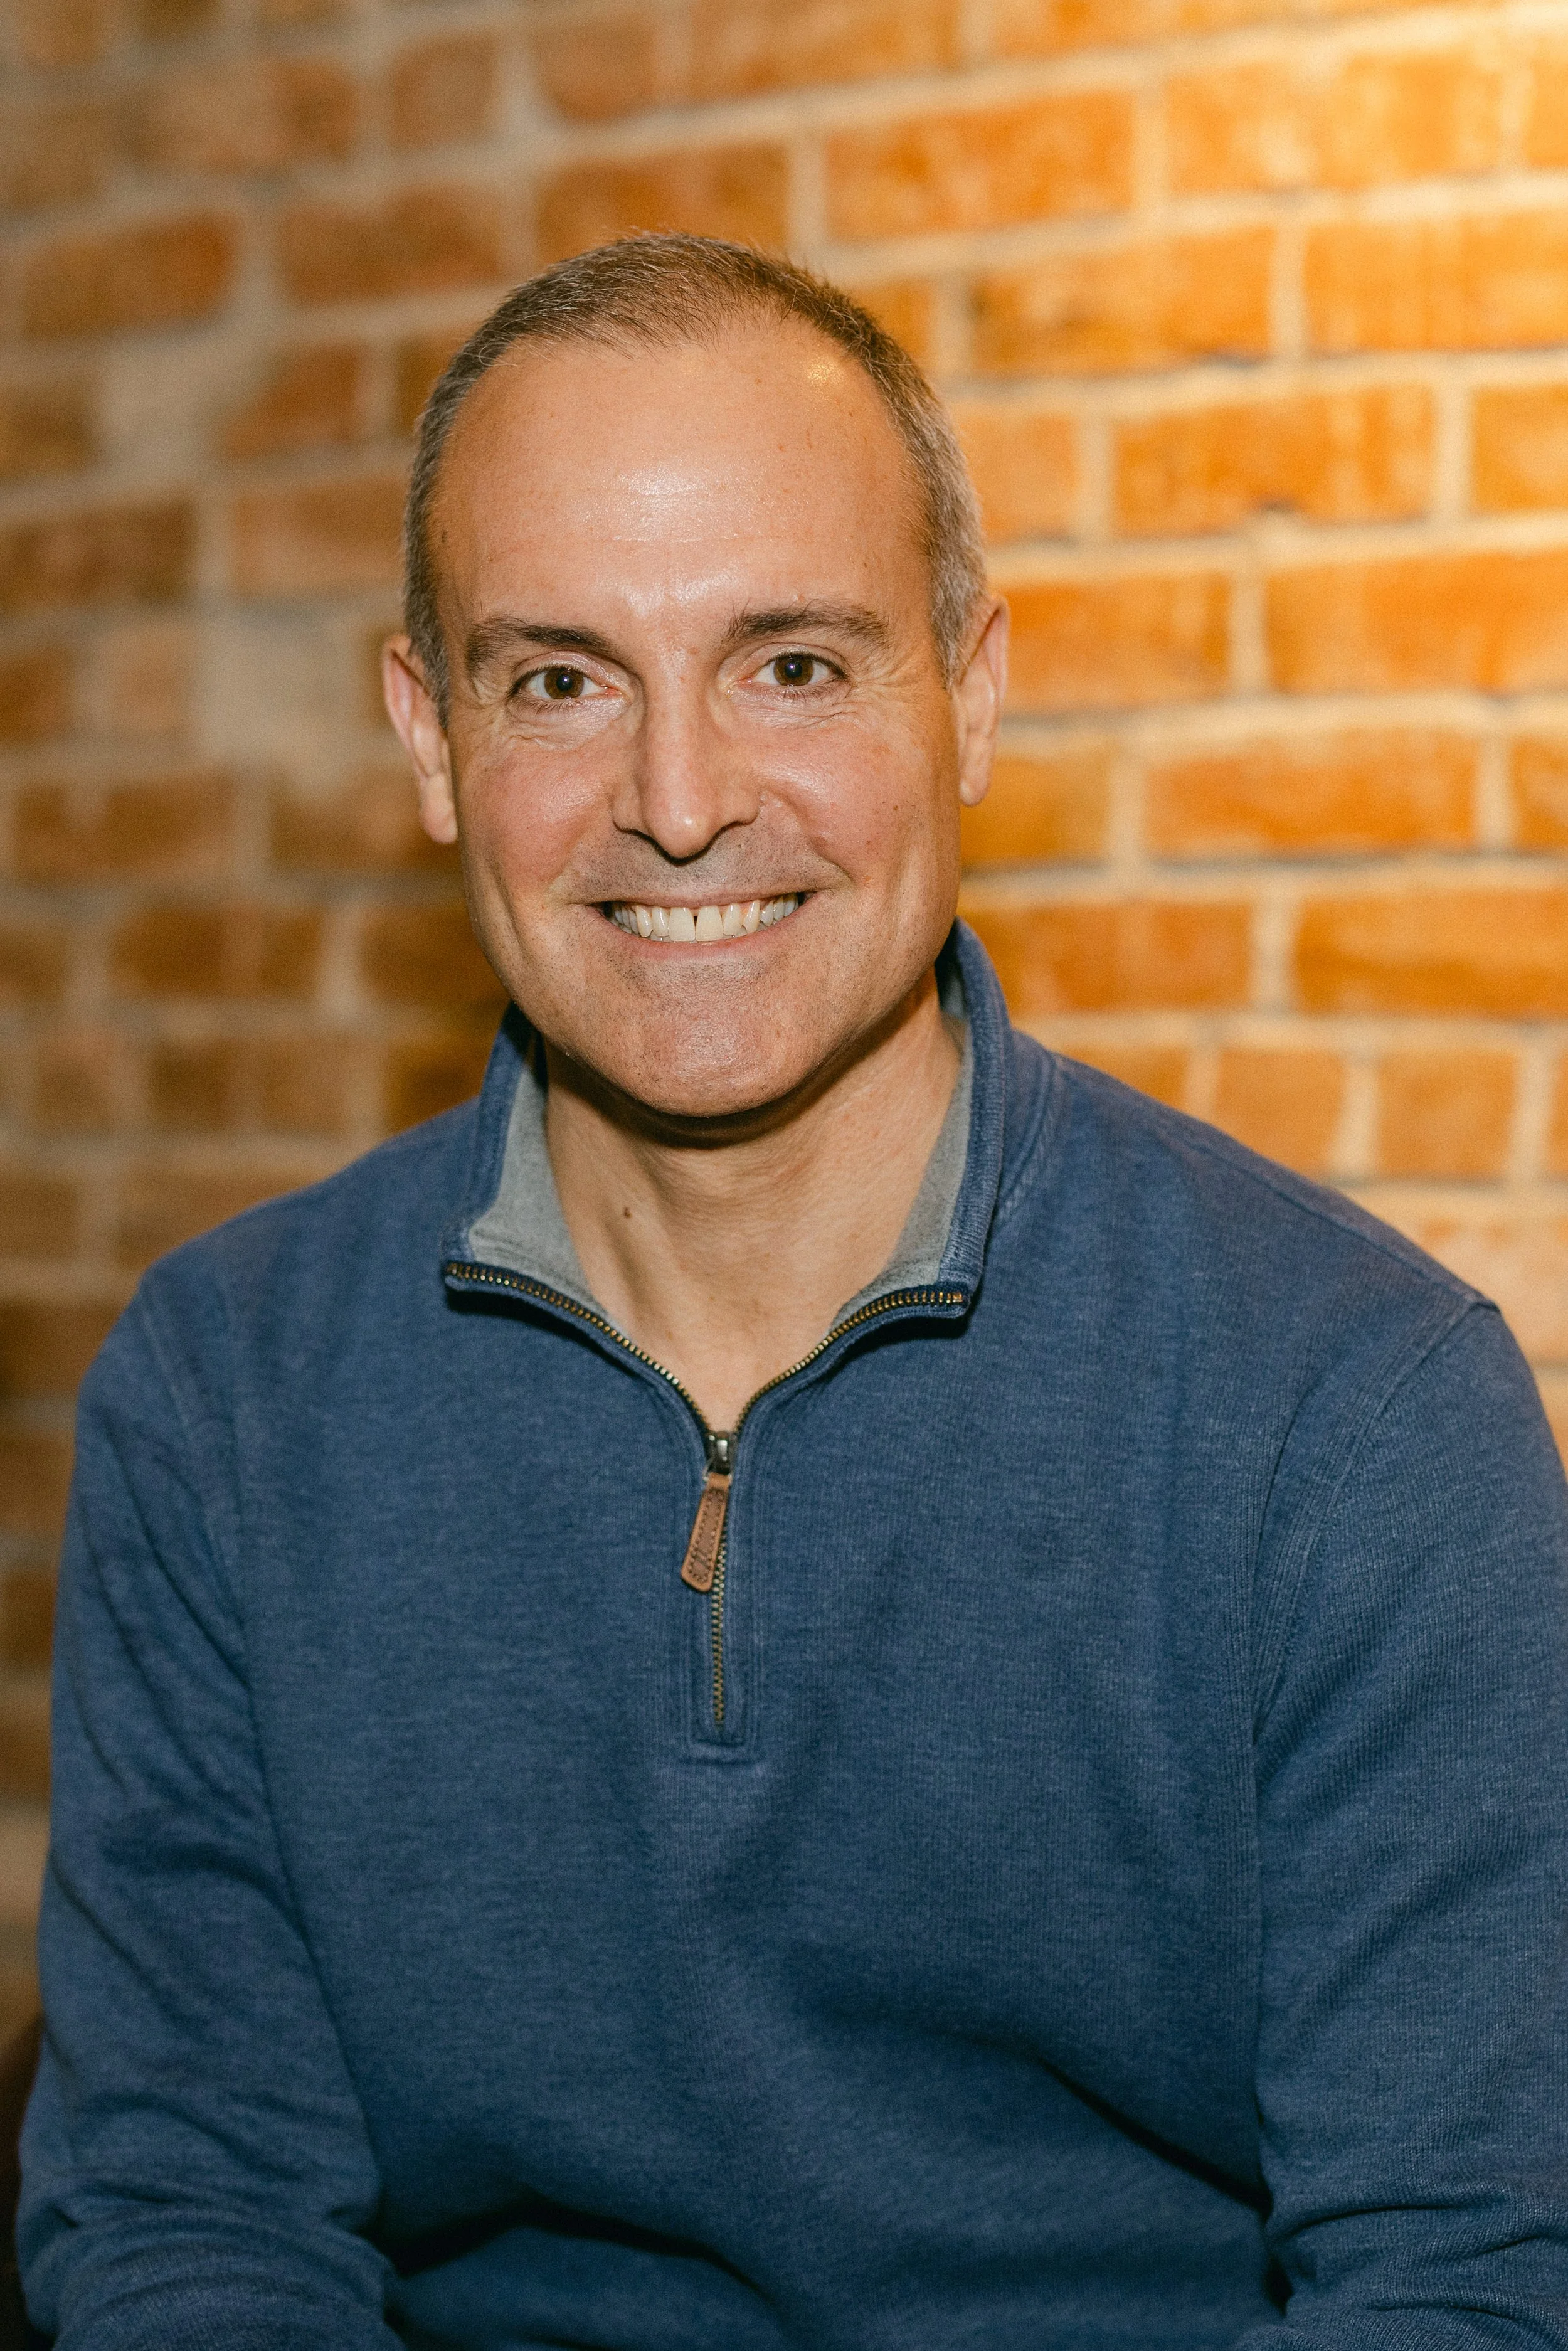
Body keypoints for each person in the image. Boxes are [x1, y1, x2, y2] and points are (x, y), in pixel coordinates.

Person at [17, 232, 1568, 2350]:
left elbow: (1466, 2280)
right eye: (558, 677)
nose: (677, 802)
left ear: (975, 694)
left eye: (796, 665)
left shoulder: (1358, 1416)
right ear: (429, 736)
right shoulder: (221, 1396)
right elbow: (185, 2217)